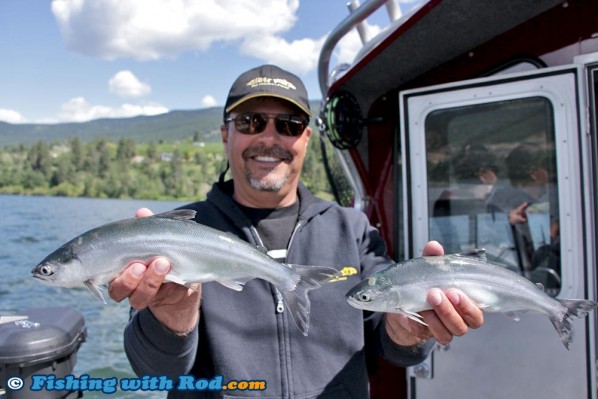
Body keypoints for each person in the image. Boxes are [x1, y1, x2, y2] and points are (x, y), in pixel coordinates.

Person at [108, 64, 484, 398]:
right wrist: (172, 316)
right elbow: (154, 371)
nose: (269, 138)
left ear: (305, 138)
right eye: (250, 121)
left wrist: (410, 327)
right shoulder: (177, 234)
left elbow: (391, 342)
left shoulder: (351, 228)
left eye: (289, 125)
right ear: (226, 135)